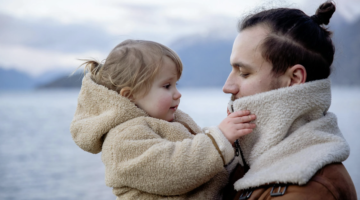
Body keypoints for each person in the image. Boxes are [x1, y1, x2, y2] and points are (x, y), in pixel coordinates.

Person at [70, 39, 256, 200]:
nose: (177, 93)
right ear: (130, 95)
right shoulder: (122, 140)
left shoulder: (168, 119)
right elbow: (174, 171)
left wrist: (231, 140)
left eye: (176, 84)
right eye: (167, 86)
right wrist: (220, 138)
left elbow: (194, 149)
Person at [221, 1, 358, 199]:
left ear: (294, 79)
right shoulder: (239, 161)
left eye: (243, 73)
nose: (227, 87)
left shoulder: (309, 188)